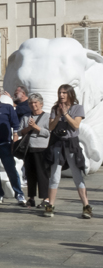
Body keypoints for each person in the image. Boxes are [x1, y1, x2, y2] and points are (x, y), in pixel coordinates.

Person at [45, 84, 90, 218]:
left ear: (70, 94)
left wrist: (65, 114)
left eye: (64, 92)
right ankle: (50, 205)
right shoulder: (55, 108)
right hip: (57, 143)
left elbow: (76, 126)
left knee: (77, 175)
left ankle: (86, 206)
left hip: (71, 144)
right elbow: (51, 127)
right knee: (54, 176)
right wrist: (58, 115)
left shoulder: (77, 108)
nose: (61, 95)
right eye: (60, 92)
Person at [19, 93, 51, 210]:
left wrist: (36, 127)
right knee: (30, 174)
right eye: (31, 103)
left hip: (42, 149)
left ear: (41, 104)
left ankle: (45, 198)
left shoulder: (47, 116)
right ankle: (31, 198)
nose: (33, 105)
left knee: (42, 174)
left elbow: (48, 133)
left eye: (35, 103)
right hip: (29, 149)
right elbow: (20, 132)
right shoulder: (26, 117)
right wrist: (29, 128)